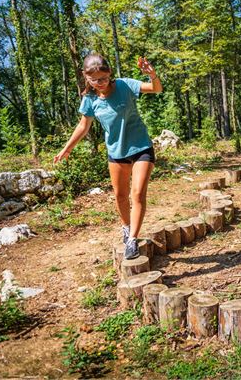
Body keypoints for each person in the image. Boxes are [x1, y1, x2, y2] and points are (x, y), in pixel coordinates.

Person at [54, 53, 162, 259]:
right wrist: (66, 149)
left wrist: (152, 75)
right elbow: (83, 126)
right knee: (120, 196)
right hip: (116, 152)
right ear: (86, 77)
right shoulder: (90, 99)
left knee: (137, 194)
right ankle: (125, 226)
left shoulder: (124, 85)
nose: (100, 83)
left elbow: (155, 89)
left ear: (109, 73)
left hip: (141, 147)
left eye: (103, 79)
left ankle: (132, 239)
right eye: (94, 80)